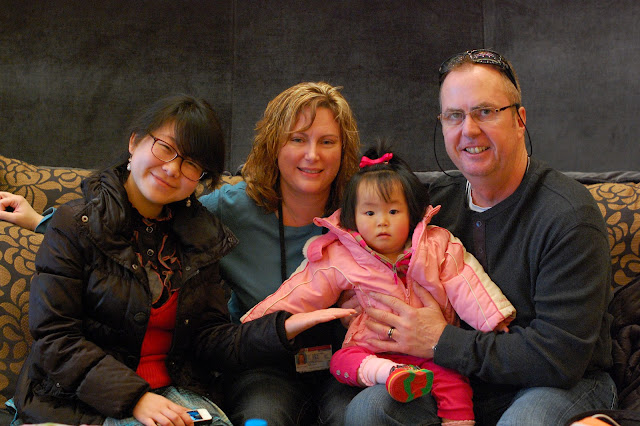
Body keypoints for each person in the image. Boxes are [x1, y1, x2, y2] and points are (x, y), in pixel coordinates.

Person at [1, 82, 363, 425]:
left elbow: (209, 337)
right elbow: (58, 329)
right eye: (165, 148)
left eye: (191, 163)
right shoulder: (79, 224)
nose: (172, 169)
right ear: (135, 142)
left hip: (187, 389)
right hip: (90, 397)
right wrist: (39, 221)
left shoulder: (199, 232)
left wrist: (281, 327)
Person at [354, 50, 617, 425]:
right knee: (372, 409)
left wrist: (440, 340)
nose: (469, 130)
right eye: (454, 116)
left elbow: (558, 358)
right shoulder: (433, 207)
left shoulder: (568, 215)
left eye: (485, 112)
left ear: (520, 120)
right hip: (460, 379)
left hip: (561, 383)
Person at [242, 143, 517, 425]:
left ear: (411, 212)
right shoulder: (341, 254)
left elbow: (465, 280)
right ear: (353, 217)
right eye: (370, 213)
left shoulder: (436, 244)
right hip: (371, 347)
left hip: (431, 348)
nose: (382, 222)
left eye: (393, 212)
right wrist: (255, 322)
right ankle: (390, 373)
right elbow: (302, 290)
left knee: (455, 384)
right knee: (341, 362)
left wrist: (492, 318)